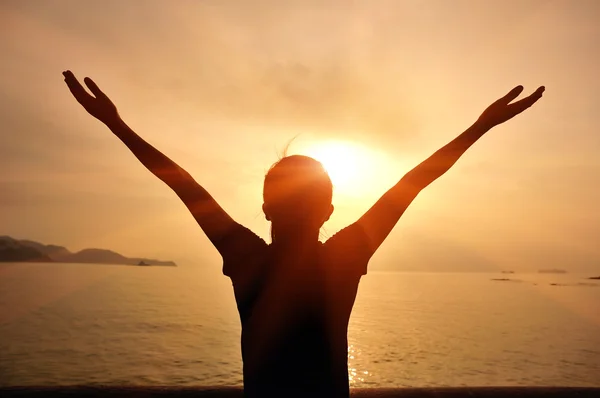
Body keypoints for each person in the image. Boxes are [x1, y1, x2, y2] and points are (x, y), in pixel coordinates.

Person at [63, 70, 544, 397]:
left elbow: (180, 181)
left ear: (266, 209)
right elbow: (412, 183)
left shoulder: (248, 256)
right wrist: (480, 127)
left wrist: (117, 125)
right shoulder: (344, 256)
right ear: (329, 210)